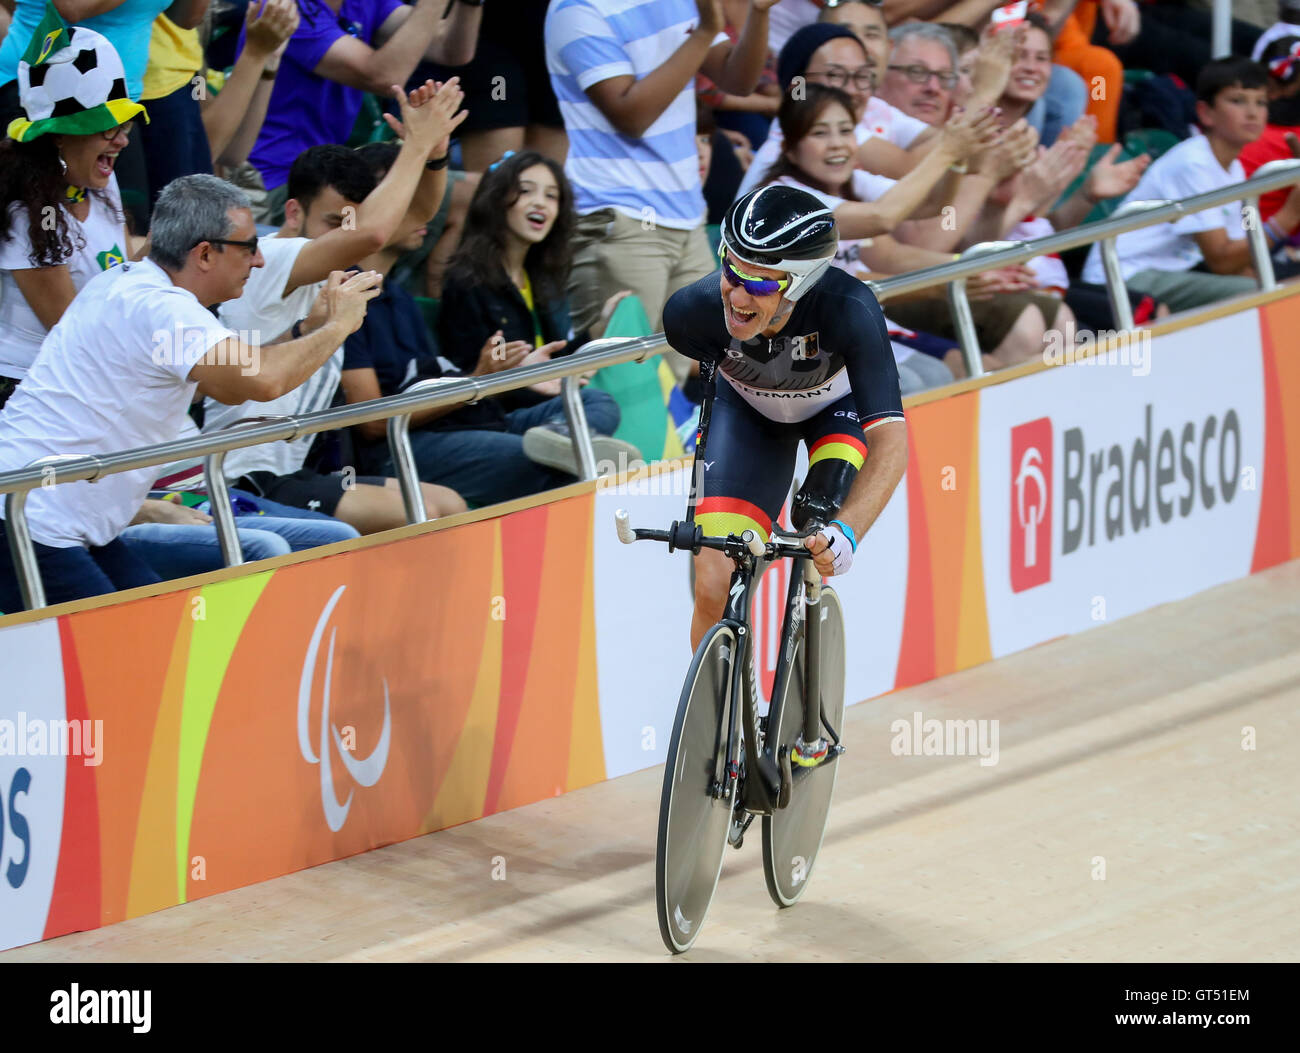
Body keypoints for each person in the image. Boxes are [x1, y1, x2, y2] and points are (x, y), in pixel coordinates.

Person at [0, 173, 383, 612]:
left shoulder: (128, 284)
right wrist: (339, 326)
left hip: (52, 515)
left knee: (150, 638)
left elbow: (226, 385)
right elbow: (263, 382)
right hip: (27, 518)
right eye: (249, 246)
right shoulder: (163, 309)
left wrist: (306, 331)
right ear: (204, 253)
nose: (258, 261)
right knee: (123, 658)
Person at [663, 183, 907, 764]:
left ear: (799, 283)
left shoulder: (851, 309)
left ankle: (808, 702)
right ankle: (718, 728)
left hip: (835, 416)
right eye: (731, 269)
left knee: (815, 528)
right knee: (711, 579)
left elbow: (891, 442)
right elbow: (699, 404)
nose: (736, 295)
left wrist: (848, 533)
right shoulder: (691, 315)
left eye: (760, 284)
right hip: (749, 416)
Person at [203, 79, 468, 532]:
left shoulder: (327, 265)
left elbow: (419, 213)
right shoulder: (266, 258)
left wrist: (434, 153)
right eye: (331, 223)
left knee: (450, 503)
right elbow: (372, 234)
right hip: (242, 475)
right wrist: (416, 144)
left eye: (347, 222)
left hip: (297, 470)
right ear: (292, 212)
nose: (339, 239)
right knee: (423, 513)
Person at [340, 140, 638, 504]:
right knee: (545, 459)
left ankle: (563, 439)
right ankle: (567, 448)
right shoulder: (347, 295)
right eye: (526, 191)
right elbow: (373, 422)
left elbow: (543, 361)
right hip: (419, 438)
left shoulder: (399, 296)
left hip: (471, 418)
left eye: (552, 195)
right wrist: (485, 377)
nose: (426, 211)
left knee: (597, 402)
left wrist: (592, 334)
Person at [544, 0, 775, 344]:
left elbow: (737, 79)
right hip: (618, 218)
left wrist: (759, 12)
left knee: (683, 372)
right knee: (621, 382)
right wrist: (706, 31)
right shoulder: (576, 8)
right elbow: (631, 115)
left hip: (687, 218)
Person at [1081, 57, 1300, 311]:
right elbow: (1221, 260)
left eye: (1261, 103)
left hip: (1166, 271)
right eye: (1238, 101)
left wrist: (1272, 281)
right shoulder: (1193, 164)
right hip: (1123, 274)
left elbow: (1243, 248)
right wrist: (1288, 217)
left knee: (1280, 289)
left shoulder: (1235, 167)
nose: (1253, 113)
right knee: (1261, 295)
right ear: (1205, 113)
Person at [0, 23, 142, 408]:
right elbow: (71, 331)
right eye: (106, 129)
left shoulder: (100, 182)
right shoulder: (27, 216)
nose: (123, 139)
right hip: (31, 392)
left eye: (124, 124)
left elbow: (122, 270)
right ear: (59, 137)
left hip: (92, 372)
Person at [240, 0, 482, 219]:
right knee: (462, 197)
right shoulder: (282, 8)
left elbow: (448, 47)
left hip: (329, 173)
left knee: (481, 193)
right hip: (276, 183)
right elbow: (385, 77)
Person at [437, 150, 631, 387]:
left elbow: (553, 360)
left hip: (546, 401)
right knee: (599, 403)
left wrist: (598, 329)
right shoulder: (466, 281)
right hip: (505, 413)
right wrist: (531, 382)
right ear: (495, 199)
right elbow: (473, 381)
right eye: (525, 191)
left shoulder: (543, 278)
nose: (540, 203)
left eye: (551, 196)